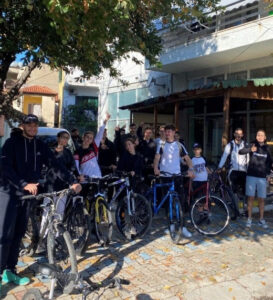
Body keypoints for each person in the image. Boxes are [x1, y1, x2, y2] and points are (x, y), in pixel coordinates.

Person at [0, 114, 81, 291]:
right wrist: (23, 184)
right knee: (4, 236)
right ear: (23, 126)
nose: (32, 127)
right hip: (9, 193)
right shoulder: (11, 144)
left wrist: (72, 181)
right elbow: (5, 168)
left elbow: (55, 164)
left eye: (35, 125)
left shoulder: (40, 145)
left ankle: (10, 269)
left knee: (19, 233)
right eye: (29, 124)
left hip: (28, 196)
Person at [153, 124, 195, 238]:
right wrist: (156, 168)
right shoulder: (161, 145)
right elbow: (157, 158)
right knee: (167, 202)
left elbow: (187, 159)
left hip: (177, 176)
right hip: (165, 176)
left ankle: (183, 226)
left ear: (173, 133)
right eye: (166, 131)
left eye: (170, 131)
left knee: (181, 201)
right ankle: (171, 224)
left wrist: (191, 169)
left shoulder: (179, 145)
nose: (168, 133)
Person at [239, 130, 273, 229]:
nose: (260, 137)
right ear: (256, 136)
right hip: (251, 176)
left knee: (261, 199)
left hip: (262, 178)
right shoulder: (252, 144)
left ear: (265, 137)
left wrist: (269, 174)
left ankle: (261, 219)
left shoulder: (267, 148)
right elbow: (240, 152)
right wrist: (250, 150)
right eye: (258, 135)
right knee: (251, 198)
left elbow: (270, 162)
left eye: (262, 135)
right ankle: (249, 219)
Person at [74, 113, 110, 178]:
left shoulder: (94, 147)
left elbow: (100, 134)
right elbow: (76, 167)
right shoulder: (77, 151)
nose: (88, 139)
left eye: (91, 138)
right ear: (83, 137)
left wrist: (105, 121)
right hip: (86, 180)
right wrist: (79, 176)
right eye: (87, 137)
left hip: (98, 177)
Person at [218, 128, 249, 195]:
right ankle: (234, 204)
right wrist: (219, 167)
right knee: (233, 191)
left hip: (243, 171)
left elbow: (248, 159)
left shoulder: (246, 145)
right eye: (237, 134)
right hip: (233, 171)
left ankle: (243, 204)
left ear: (242, 135)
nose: (238, 135)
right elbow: (224, 157)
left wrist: (249, 170)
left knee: (244, 192)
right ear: (234, 134)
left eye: (240, 134)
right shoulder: (230, 145)